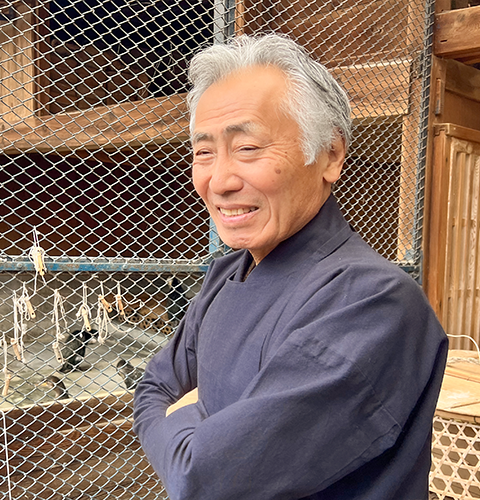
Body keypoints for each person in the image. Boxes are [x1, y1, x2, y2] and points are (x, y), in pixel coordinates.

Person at [132, 33, 448, 500]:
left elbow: (207, 479)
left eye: (248, 148)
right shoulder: (225, 274)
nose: (219, 180)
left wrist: (191, 418)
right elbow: (149, 389)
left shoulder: (373, 301)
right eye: (203, 152)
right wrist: (201, 428)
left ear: (330, 155)